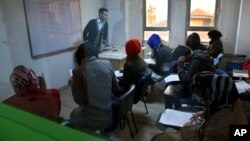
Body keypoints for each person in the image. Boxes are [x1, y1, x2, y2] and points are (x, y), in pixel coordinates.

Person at [151, 72, 248, 141]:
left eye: (201, 95)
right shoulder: (231, 101)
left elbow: (217, 129)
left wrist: (188, 129)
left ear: (212, 95)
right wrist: (207, 114)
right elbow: (219, 113)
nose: (197, 98)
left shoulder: (218, 130)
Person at [69, 42, 121, 132]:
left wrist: (73, 85)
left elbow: (79, 101)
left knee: (73, 114)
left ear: (78, 57)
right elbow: (116, 89)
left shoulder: (78, 71)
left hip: (93, 117)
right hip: (110, 113)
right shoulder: (107, 64)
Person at [118, 38, 148, 103]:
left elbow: (123, 83)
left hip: (130, 92)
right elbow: (135, 70)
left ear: (128, 50)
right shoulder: (141, 59)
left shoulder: (128, 65)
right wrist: (125, 71)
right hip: (139, 90)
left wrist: (116, 80)